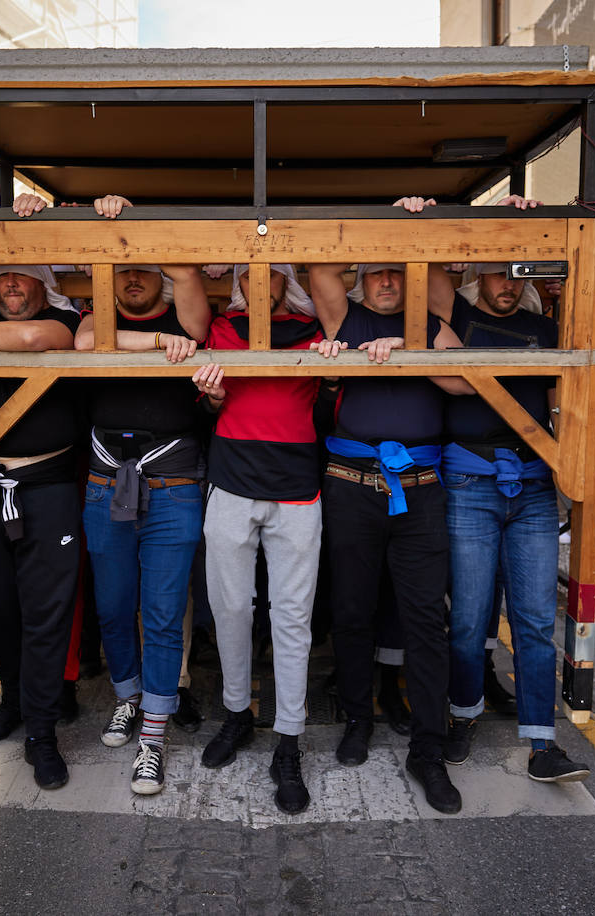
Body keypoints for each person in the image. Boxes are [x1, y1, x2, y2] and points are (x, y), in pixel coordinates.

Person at [305, 198, 476, 816]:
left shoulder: (427, 326)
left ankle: (428, 750)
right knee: (351, 609)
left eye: (396, 271)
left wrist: (412, 352)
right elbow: (318, 266)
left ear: (410, 277)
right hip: (351, 485)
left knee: (426, 618)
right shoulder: (342, 315)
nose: (385, 281)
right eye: (375, 270)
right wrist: (380, 222)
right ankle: (357, 717)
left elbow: (463, 381)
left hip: (421, 490)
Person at [426, 256, 590, 782]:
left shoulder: (544, 329)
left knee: (536, 620)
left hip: (536, 488)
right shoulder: (456, 313)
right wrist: (443, 228)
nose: (509, 286)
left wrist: (581, 471)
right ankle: (463, 714)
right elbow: (428, 274)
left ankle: (543, 744)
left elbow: (562, 401)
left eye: (519, 277)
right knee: (470, 617)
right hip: (470, 486)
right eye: (500, 274)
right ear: (479, 276)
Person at [73, 194, 213, 796]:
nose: (133, 277)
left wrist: (138, 221)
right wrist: (159, 345)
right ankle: (128, 698)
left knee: (160, 615)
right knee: (111, 607)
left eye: (143, 267)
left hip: (174, 486)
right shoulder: (96, 319)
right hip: (106, 483)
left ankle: (152, 738)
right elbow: (84, 348)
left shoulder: (188, 317)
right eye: (122, 269)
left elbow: (196, 323)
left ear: (160, 272)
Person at [190, 263, 342, 814]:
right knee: (230, 606)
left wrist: (331, 372)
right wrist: (209, 396)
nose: (261, 282)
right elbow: (214, 405)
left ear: (285, 281)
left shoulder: (314, 331)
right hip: (231, 480)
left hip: (297, 486)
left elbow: (328, 410)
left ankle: (289, 740)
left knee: (292, 614)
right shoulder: (223, 328)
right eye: (250, 275)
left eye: (271, 273)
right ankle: (237, 715)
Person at [0, 250, 84, 790]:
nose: (10, 284)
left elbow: (34, 341)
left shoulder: (67, 321)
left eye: (23, 275)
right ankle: (13, 694)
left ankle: (42, 732)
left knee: (46, 614)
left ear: (44, 282)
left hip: (49, 486)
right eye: (1, 273)